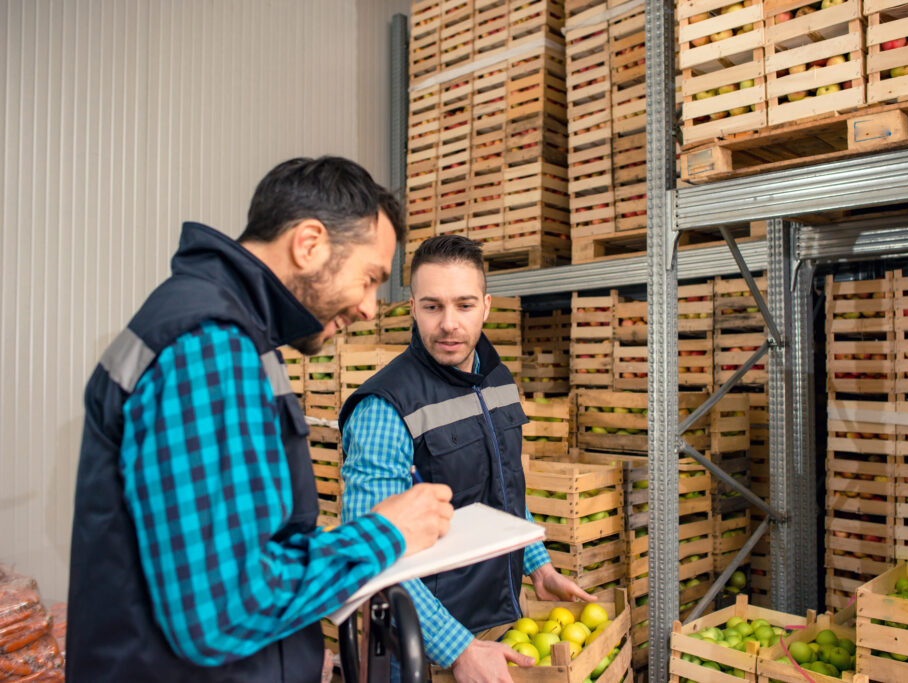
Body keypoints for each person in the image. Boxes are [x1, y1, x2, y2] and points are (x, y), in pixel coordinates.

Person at [67, 156, 454, 682]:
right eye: (369, 278)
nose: (370, 307)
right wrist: (387, 532)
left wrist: (292, 654)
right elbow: (223, 611)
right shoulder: (210, 347)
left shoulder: (231, 334)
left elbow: (237, 547)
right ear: (309, 243)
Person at [339, 235, 594, 683]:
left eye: (464, 305)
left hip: (498, 626)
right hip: (417, 649)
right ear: (413, 307)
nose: (449, 324)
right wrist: (459, 649)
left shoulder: (495, 378)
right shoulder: (385, 407)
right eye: (433, 306)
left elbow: (502, 488)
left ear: (487, 306)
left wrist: (537, 564)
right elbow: (371, 552)